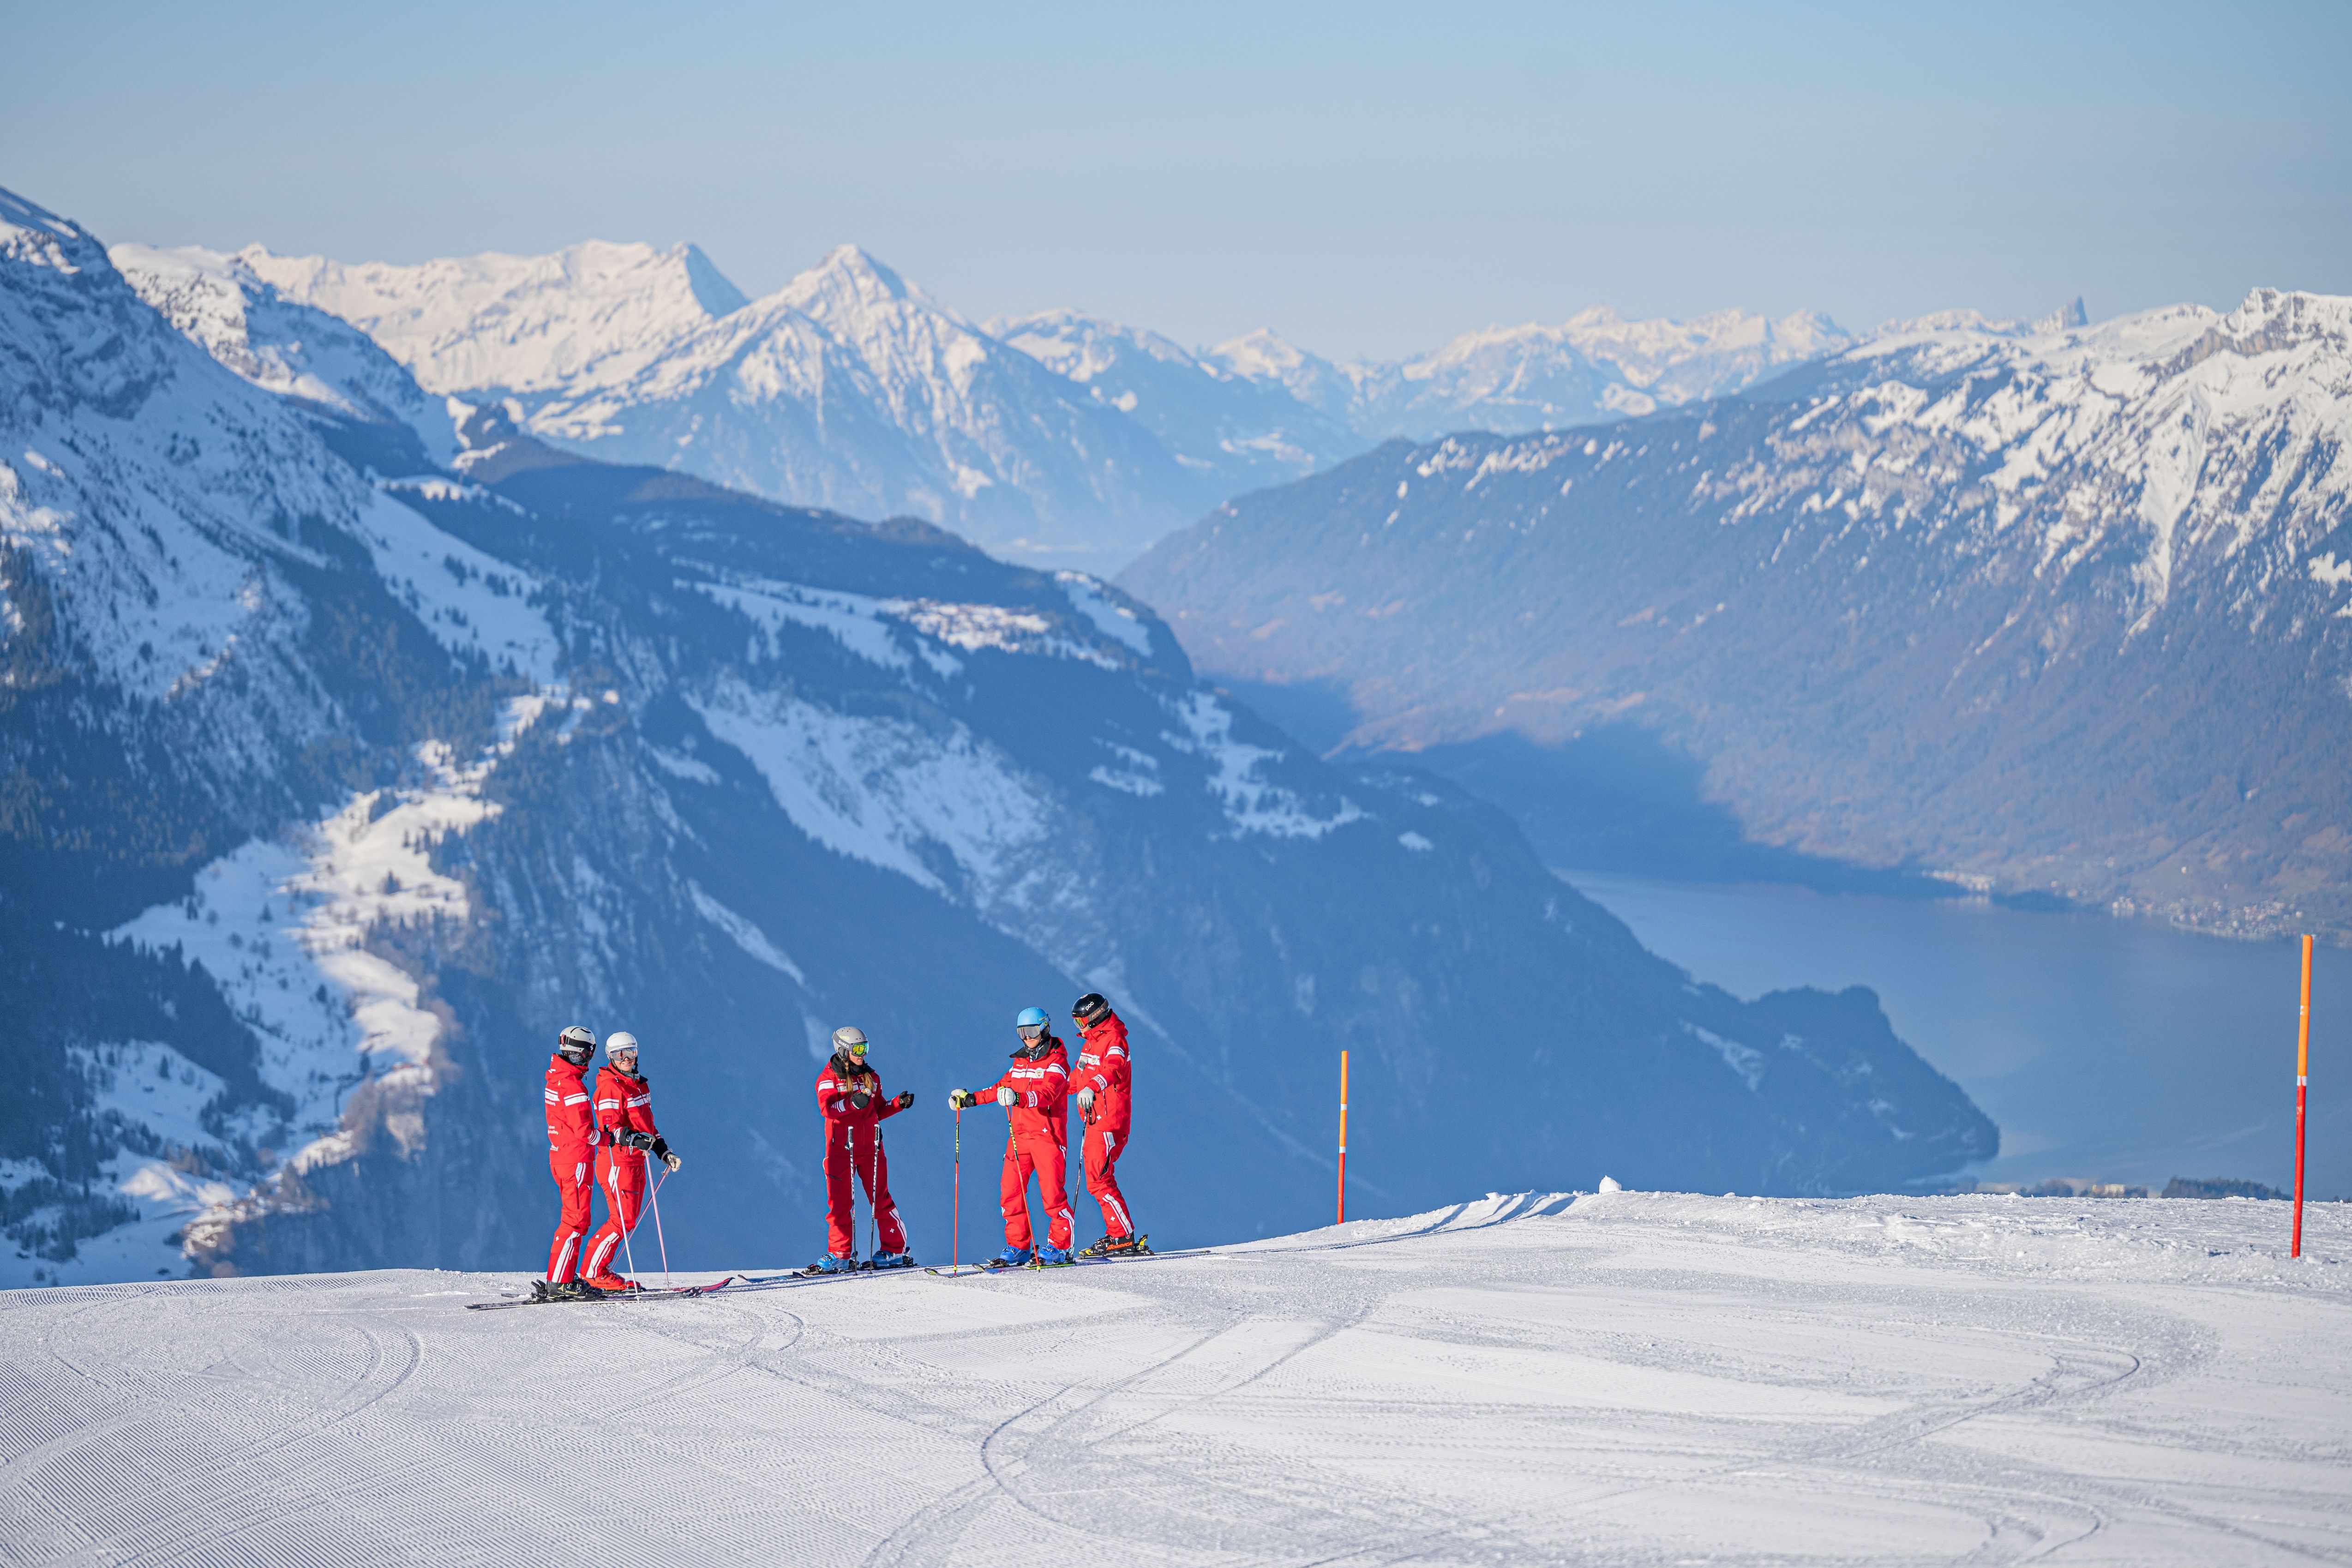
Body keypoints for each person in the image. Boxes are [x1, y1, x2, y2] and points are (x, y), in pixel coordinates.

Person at [948, 1006, 1074, 1266]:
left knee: (1052, 1196)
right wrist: (970, 1100)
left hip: (1047, 1138)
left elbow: (1049, 1093)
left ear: (1045, 1029)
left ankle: (1060, 1247)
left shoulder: (1057, 1062)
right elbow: (1000, 1088)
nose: (1026, 1038)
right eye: (1021, 1033)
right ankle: (1019, 1246)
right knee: (1010, 1193)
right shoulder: (1019, 1062)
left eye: (1031, 1031)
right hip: (1019, 1137)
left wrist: (1020, 1098)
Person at [581, 1031, 681, 1292]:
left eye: (630, 1053)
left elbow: (647, 1126)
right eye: (619, 1054)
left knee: (628, 1220)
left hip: (636, 1162)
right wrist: (634, 1139)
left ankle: (599, 1269)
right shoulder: (611, 1086)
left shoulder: (639, 1085)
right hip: (617, 1162)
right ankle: (593, 1272)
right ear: (611, 1057)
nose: (626, 1058)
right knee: (621, 1221)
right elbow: (609, 1127)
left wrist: (662, 1151)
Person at [812, 1026, 916, 1273]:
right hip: (841, 1149)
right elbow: (828, 1109)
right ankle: (840, 1254)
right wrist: (852, 1103)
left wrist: (897, 1105)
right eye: (858, 1049)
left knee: (880, 1200)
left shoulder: (872, 1078)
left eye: (865, 1048)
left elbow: (877, 1111)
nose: (863, 1054)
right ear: (843, 1050)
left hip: (871, 1148)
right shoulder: (828, 1079)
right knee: (840, 1205)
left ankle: (894, 1250)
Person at [1066, 992, 1144, 1256]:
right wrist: (1047, 1092)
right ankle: (1118, 1233)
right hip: (1094, 1120)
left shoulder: (1115, 1040)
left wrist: (1092, 1086)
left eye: (1081, 1021)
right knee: (1096, 1179)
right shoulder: (1090, 1044)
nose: (1079, 1027)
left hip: (1110, 1121)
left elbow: (1114, 1068)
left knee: (1099, 1179)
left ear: (1095, 1016)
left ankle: (1122, 1236)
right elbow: (1076, 1078)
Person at [534, 1024, 601, 1301]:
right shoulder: (572, 1084)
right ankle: (559, 1282)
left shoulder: (557, 1077)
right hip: (576, 1157)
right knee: (576, 1221)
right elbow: (585, 1131)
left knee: (574, 1220)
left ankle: (562, 1276)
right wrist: (610, 1138)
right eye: (587, 1052)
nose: (589, 1058)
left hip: (562, 1156)